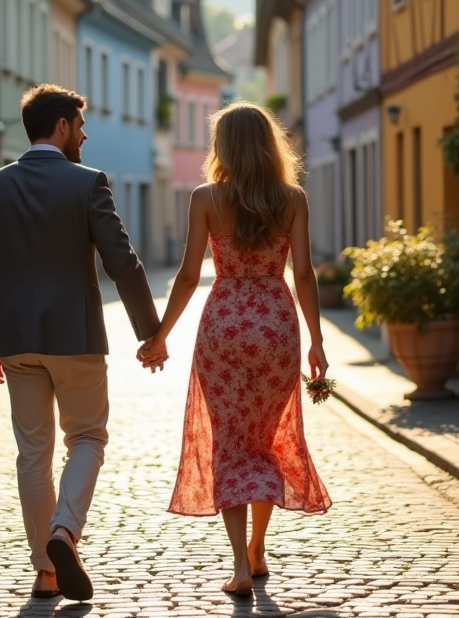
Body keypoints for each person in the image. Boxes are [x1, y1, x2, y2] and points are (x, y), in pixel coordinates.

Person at [0, 84, 162, 602]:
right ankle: (64, 532)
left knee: (33, 454)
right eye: (79, 124)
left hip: (14, 339)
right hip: (74, 336)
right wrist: (152, 333)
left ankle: (45, 573)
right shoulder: (87, 183)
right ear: (60, 127)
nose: (84, 133)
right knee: (88, 438)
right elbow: (122, 261)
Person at [137, 102, 331, 596]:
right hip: (276, 326)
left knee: (230, 443)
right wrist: (317, 341)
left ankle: (239, 568)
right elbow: (303, 274)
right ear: (270, 144)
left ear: (221, 145)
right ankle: (259, 550)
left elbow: (186, 276)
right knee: (265, 440)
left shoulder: (205, 197)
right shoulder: (292, 199)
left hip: (223, 325)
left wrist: (159, 335)